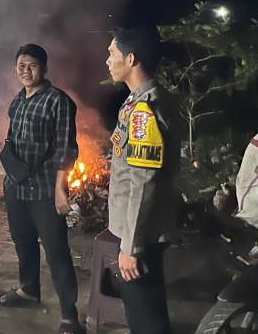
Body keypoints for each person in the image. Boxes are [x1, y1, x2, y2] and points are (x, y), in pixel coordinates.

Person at [0, 44, 84, 334]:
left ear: (44, 69)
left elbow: (66, 149)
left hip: (45, 190)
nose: (26, 71)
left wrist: (61, 190)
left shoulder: (58, 102)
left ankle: (70, 316)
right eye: (21, 65)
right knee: (23, 243)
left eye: (32, 65)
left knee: (57, 252)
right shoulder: (18, 100)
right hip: (16, 187)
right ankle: (28, 290)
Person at [105, 25, 179, 334]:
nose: (108, 60)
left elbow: (144, 181)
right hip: (142, 232)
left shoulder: (143, 110)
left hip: (140, 235)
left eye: (112, 53)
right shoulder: (139, 101)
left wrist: (131, 247)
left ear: (131, 59)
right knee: (146, 311)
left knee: (146, 319)